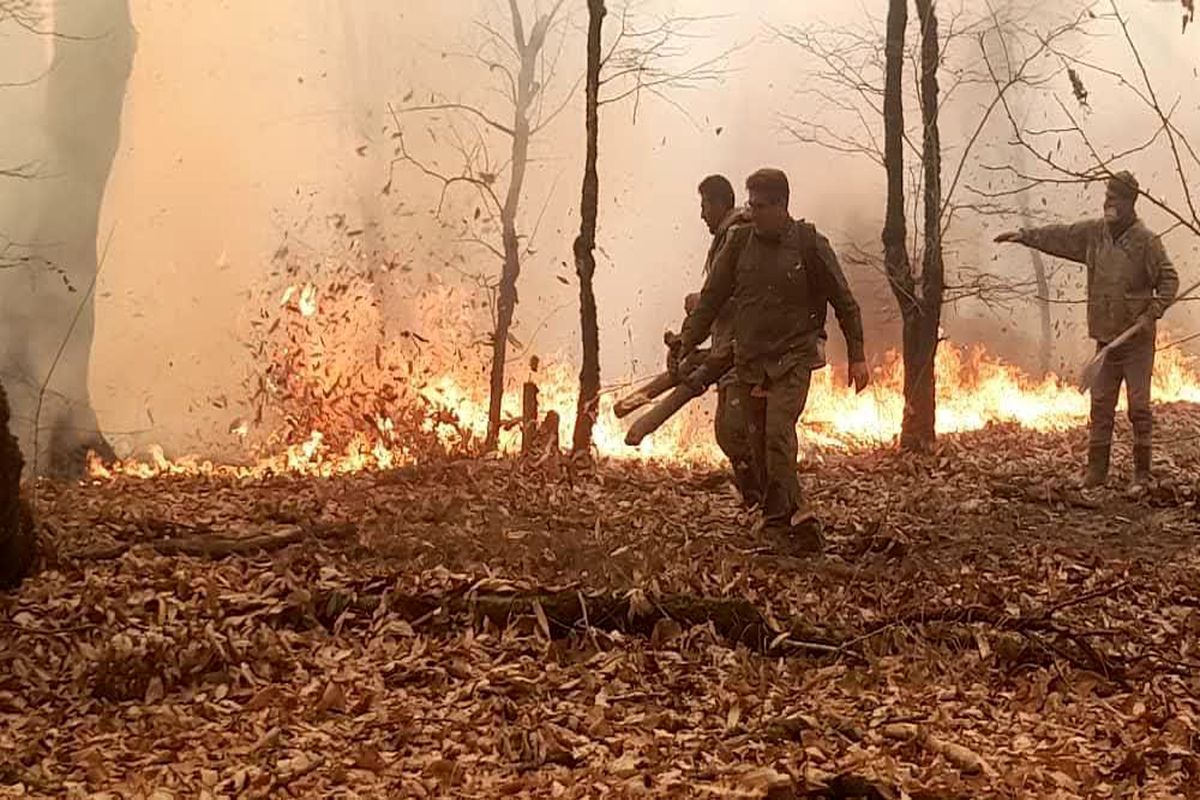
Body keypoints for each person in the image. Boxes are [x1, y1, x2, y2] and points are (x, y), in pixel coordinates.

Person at [675, 168, 870, 551]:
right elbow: (712, 298)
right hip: (750, 361)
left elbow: (844, 302)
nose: (753, 212)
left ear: (782, 206)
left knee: (778, 434)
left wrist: (858, 356)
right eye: (751, 204)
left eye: (761, 206)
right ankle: (787, 514)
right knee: (756, 441)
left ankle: (785, 522)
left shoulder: (810, 244)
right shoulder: (739, 243)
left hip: (794, 358)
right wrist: (687, 342)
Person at [995, 171, 1179, 489]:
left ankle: (1142, 475)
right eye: (1107, 196)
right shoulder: (1094, 234)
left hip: (1136, 342)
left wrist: (1152, 313)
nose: (1108, 203)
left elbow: (1169, 280)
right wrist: (1024, 236)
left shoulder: (1146, 242)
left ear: (1129, 203)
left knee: (1139, 407)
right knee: (1101, 405)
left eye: (1115, 198)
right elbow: (1061, 236)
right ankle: (1096, 472)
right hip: (1106, 339)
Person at [692, 174, 758, 506]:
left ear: (720, 203)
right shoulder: (727, 236)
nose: (701, 214)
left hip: (743, 349)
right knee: (729, 430)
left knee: (734, 430)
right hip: (728, 348)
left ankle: (765, 501)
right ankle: (758, 501)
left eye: (705, 205)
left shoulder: (737, 236)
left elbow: (739, 295)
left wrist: (704, 306)